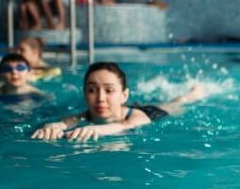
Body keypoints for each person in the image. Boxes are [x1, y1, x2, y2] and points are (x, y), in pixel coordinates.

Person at [31, 61, 206, 142]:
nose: (100, 98)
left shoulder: (138, 117)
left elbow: (123, 127)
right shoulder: (80, 118)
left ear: (124, 95)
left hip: (149, 111)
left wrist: (95, 129)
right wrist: (50, 127)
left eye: (109, 90)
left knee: (177, 103)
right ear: (84, 94)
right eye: (92, 90)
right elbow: (61, 124)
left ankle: (190, 95)